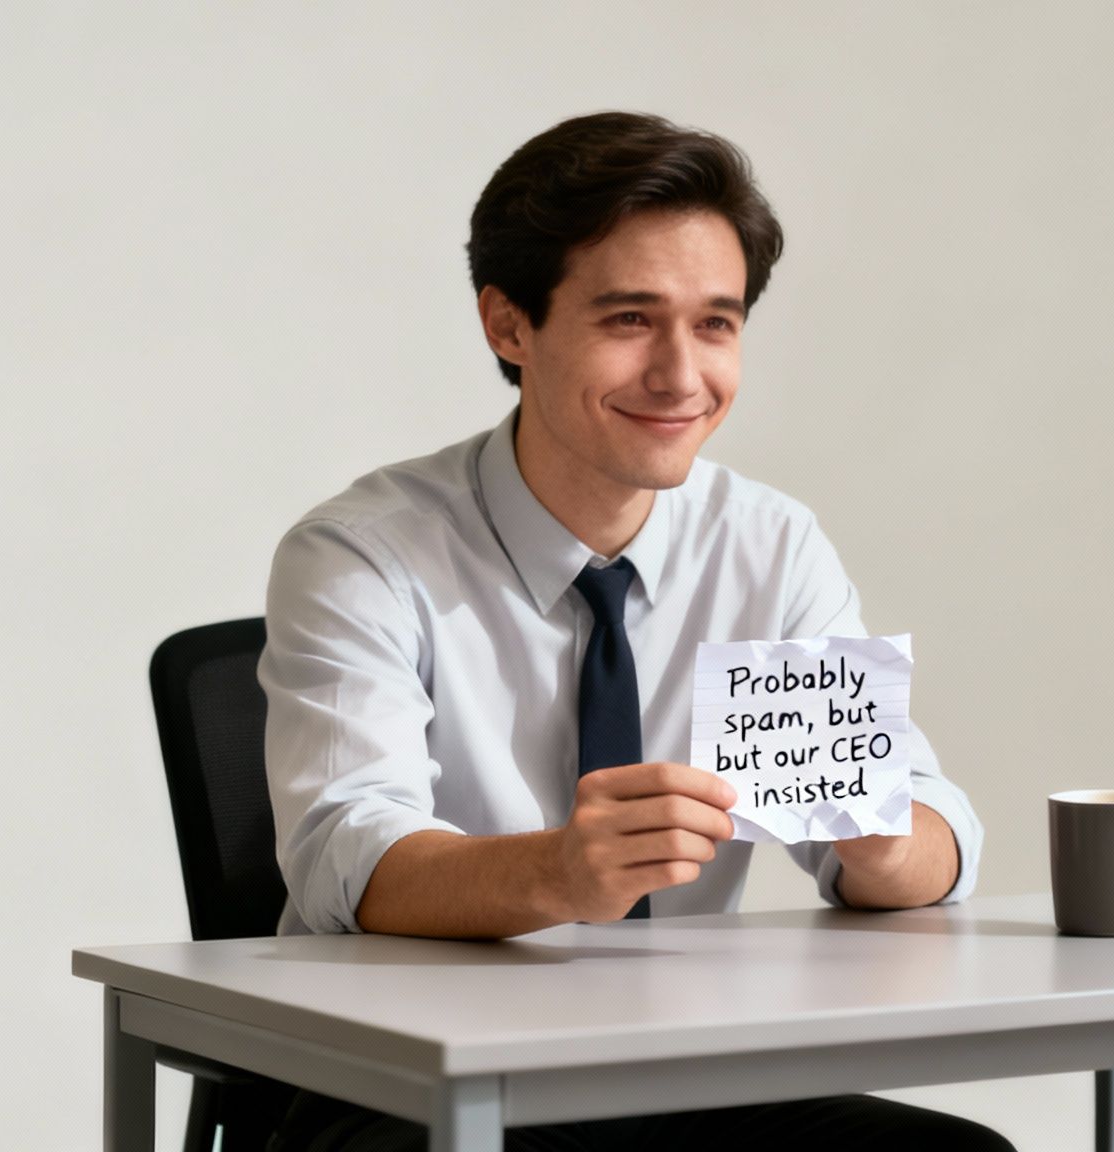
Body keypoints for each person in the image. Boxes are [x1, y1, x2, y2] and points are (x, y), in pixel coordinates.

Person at [257, 110, 1008, 1152]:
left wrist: (876, 837)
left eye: (715, 323)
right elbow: (352, 860)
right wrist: (559, 872)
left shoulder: (768, 546)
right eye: (627, 320)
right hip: (405, 1078)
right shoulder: (362, 556)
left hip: (681, 1068)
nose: (680, 376)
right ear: (508, 326)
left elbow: (931, 845)